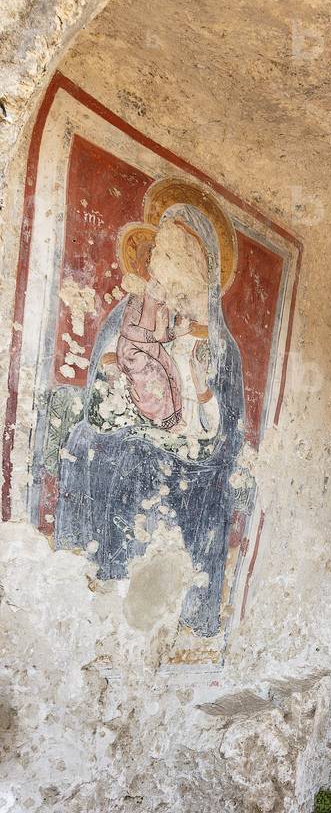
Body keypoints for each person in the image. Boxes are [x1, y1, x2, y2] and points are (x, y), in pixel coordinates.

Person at [55, 202, 244, 638]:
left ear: (201, 266)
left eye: (176, 252)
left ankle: (153, 605)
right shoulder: (130, 314)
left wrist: (196, 396)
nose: (162, 261)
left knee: (141, 460)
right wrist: (110, 386)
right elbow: (103, 388)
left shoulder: (218, 345)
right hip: (132, 427)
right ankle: (91, 583)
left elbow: (223, 436)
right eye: (161, 250)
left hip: (193, 458)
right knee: (86, 440)